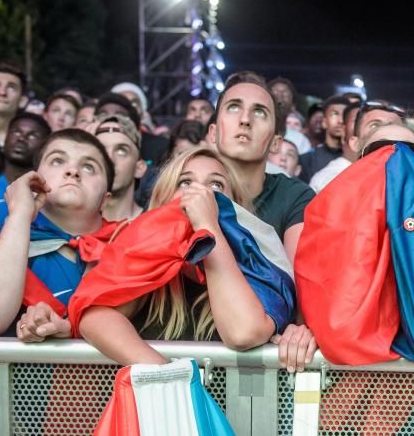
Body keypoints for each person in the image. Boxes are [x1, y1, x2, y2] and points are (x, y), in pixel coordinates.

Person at [66, 146, 301, 367]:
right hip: (163, 405)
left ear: (237, 208)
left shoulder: (258, 268)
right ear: (162, 200)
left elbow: (242, 333)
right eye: (185, 182)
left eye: (216, 186)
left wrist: (208, 227)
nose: (200, 193)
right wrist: (170, 379)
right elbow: (95, 316)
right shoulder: (139, 256)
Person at [0, 128, 117, 337]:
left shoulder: (126, 246)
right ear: (34, 181)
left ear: (105, 199)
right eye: (57, 161)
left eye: (88, 167)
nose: (73, 171)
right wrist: (20, 213)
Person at [208, 71, 315, 263]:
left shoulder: (295, 197)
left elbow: (295, 284)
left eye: (259, 112)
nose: (245, 120)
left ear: (275, 143)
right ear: (213, 133)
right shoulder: (186, 186)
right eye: (233, 107)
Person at [94, 114, 147, 221]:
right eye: (100, 150)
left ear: (139, 168)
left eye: (121, 151)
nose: (109, 159)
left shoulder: (155, 228)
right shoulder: (67, 229)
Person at [298, 95, 348, 183]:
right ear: (324, 122)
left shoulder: (357, 158)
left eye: (344, 115)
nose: (340, 120)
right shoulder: (307, 160)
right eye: (334, 114)